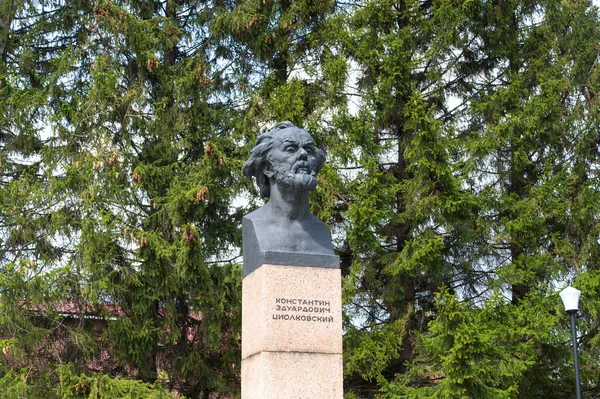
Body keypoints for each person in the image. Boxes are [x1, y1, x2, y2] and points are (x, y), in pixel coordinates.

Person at [241, 121, 337, 276]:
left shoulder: (321, 232)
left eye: (309, 150)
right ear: (268, 167)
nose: (303, 154)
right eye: (290, 149)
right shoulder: (255, 224)